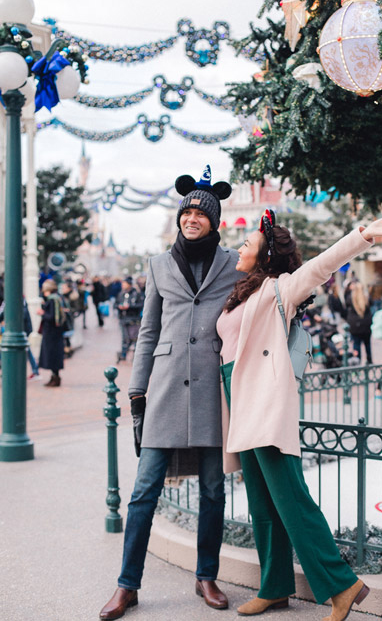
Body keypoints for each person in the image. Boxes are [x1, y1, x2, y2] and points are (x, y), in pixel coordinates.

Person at [217, 209, 382, 618]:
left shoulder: (279, 290)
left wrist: (362, 236)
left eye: (247, 243)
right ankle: (275, 586)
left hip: (264, 403)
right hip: (237, 401)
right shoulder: (242, 290)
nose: (239, 247)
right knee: (262, 503)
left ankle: (343, 585)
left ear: (265, 256)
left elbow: (322, 265)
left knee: (291, 501)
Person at [100, 166, 240, 620]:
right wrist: (137, 389)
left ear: (214, 221)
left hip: (212, 391)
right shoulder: (159, 265)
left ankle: (206, 576)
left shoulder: (234, 263)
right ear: (179, 217)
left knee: (214, 491)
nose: (192, 218)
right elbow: (147, 330)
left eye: (202, 213)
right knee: (144, 491)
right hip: (163, 389)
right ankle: (127, 585)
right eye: (187, 212)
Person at [36, 280, 66, 387]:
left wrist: (42, 313)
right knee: (54, 355)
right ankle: (54, 376)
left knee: (52, 355)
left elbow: (51, 317)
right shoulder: (56, 298)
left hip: (51, 333)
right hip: (55, 333)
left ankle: (55, 377)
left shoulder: (53, 300)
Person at [345, 281, 374, 365]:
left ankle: (357, 362)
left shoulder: (350, 298)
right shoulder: (366, 298)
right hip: (366, 325)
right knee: (367, 344)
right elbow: (371, 304)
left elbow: (345, 307)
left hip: (355, 326)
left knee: (356, 345)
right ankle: (369, 361)